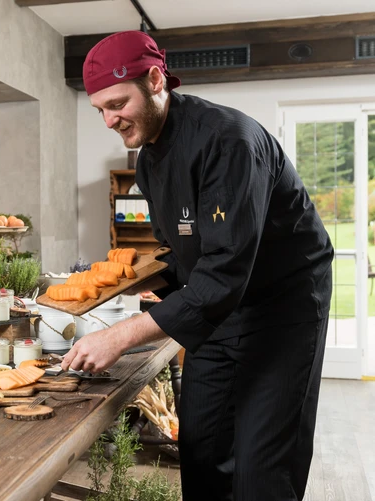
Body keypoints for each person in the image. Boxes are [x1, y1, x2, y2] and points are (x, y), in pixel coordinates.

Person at [61, 30, 333, 501]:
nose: (108, 120)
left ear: (155, 80)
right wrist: (131, 281)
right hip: (216, 314)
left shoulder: (229, 142)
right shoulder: (148, 162)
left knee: (262, 472)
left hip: (282, 310)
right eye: (99, 109)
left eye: (117, 104)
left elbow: (224, 270)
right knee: (202, 455)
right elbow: (178, 252)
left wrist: (120, 336)